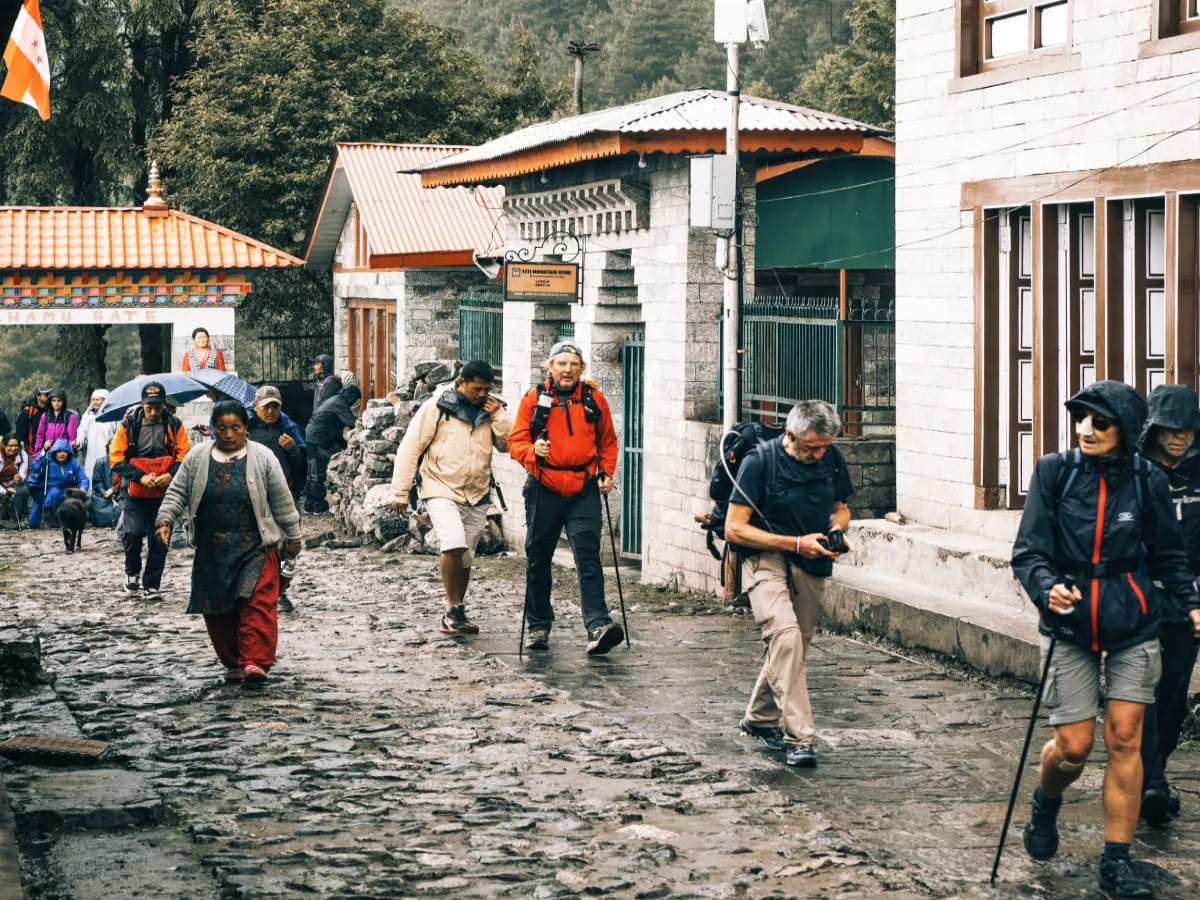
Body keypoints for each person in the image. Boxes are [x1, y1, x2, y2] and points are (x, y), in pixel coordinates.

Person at [1012, 381, 1200, 899]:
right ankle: (1047, 801)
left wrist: (1190, 604)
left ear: (1126, 428)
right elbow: (1029, 553)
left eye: (1099, 422)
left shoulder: (1146, 481)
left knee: (1125, 737)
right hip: (1071, 625)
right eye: (1080, 419)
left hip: (1133, 621)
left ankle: (1117, 859)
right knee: (1073, 747)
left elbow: (1168, 556)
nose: (1084, 430)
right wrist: (1047, 589)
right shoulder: (1055, 472)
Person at [724, 400, 854, 768]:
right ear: (789, 435)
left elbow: (842, 507)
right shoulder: (759, 462)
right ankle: (800, 737)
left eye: (824, 446)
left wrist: (835, 530)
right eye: (811, 447)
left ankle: (759, 718)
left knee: (795, 644)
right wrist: (795, 543)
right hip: (764, 556)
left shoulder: (830, 458)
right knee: (785, 635)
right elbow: (734, 527)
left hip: (811, 559)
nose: (818, 454)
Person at [155, 400, 301, 685]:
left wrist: (293, 536)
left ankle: (255, 662)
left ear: (246, 429)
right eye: (222, 428)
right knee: (218, 608)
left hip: (256, 546)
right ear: (212, 430)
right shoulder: (197, 458)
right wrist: (165, 520)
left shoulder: (262, 457)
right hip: (212, 548)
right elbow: (176, 493)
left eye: (235, 427)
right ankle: (235, 661)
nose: (229, 434)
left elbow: (282, 500)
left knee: (256, 604)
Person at [509, 342, 624, 656]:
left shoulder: (593, 399)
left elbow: (608, 442)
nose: (568, 370)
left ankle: (598, 624)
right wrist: (533, 452)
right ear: (550, 367)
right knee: (538, 556)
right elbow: (515, 441)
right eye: (561, 364)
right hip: (544, 485)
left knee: (588, 556)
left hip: (584, 487)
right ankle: (538, 625)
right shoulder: (534, 399)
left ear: (582, 369)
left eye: (574, 364)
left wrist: (606, 471)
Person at [391, 360, 511, 635]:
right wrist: (400, 490)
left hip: (477, 492)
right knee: (453, 541)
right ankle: (454, 606)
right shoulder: (437, 408)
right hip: (439, 486)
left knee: (466, 556)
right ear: (461, 383)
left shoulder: (491, 410)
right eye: (476, 389)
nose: (482, 394)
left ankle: (455, 611)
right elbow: (411, 446)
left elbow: (506, 445)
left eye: (486, 389)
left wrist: (499, 415)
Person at [1135, 384, 1200, 827]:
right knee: (1144, 693)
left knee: (1175, 694)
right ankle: (1151, 783)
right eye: (1170, 429)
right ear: (1155, 429)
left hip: (1186, 602)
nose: (1179, 438)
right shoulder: (1135, 474)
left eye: (1188, 430)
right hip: (1140, 601)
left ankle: (1149, 771)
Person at [108, 382, 191, 601]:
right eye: (149, 407)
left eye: (157, 407)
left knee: (160, 538)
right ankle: (132, 572)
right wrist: (141, 477)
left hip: (166, 491)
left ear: (164, 405)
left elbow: (185, 456)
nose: (153, 412)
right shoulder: (128, 425)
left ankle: (152, 585)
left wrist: (170, 475)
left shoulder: (174, 424)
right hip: (135, 490)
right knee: (132, 533)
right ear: (141, 404)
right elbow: (116, 459)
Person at [248, 385, 307, 612]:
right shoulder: (246, 429)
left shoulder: (288, 429)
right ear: (256, 407)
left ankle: (280, 592)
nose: (270, 411)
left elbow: (302, 464)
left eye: (275, 407)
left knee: (288, 546)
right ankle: (261, 592)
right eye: (266, 407)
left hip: (283, 496)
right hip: (253, 496)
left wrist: (293, 450)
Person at [303, 383, 360, 514]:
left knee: (312, 472)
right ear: (349, 396)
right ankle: (318, 505)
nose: (354, 403)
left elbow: (337, 427)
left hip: (313, 436)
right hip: (317, 438)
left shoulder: (334, 400)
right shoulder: (339, 403)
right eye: (355, 399)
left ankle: (309, 504)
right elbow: (352, 422)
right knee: (317, 472)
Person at [28, 438, 89, 529]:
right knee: (33, 522)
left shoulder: (73, 462)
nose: (62, 454)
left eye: (65, 451)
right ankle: (49, 519)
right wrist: (44, 450)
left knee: (85, 500)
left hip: (69, 490)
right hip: (49, 490)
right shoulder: (48, 460)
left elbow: (82, 478)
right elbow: (36, 467)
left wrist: (83, 489)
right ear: (55, 452)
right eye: (59, 451)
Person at [75, 389, 116, 480]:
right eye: (93, 400)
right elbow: (82, 431)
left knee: (107, 476)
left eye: (98, 400)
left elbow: (117, 432)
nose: (95, 402)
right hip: (91, 452)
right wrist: (78, 442)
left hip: (107, 452)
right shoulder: (88, 416)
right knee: (91, 474)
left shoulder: (113, 415)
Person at [34, 389, 78, 455]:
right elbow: (40, 436)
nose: (56, 403)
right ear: (50, 402)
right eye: (54, 401)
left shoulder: (70, 416)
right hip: (48, 453)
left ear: (63, 402)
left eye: (59, 401)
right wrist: (39, 451)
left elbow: (72, 439)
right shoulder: (45, 416)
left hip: (63, 454)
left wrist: (69, 454)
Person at [0, 434, 31, 527]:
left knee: (23, 490)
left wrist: (20, 477)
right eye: (10, 446)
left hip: (12, 482)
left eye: (16, 445)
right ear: (3, 445)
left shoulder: (22, 454)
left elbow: (23, 472)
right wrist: (5, 491)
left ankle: (14, 520)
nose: (13, 448)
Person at [90, 450, 121, 529]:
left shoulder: (124, 462)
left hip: (119, 493)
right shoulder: (100, 462)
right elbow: (97, 481)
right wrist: (104, 492)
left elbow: (125, 481)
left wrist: (114, 489)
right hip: (103, 495)